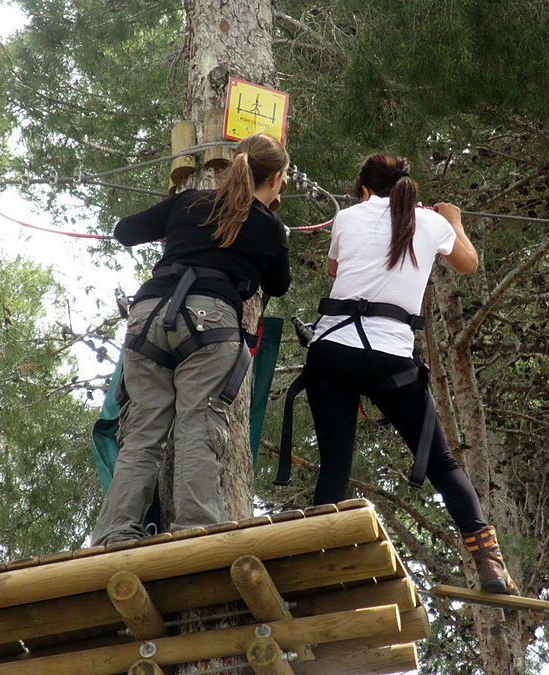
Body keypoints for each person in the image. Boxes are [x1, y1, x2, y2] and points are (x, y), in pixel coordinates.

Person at [302, 153, 518, 594]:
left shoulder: (346, 218)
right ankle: (489, 564)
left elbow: (334, 270)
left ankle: (318, 565)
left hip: (332, 352)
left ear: (364, 190)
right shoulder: (431, 223)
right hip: (391, 360)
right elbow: (469, 264)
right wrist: (454, 222)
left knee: (335, 466)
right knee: (441, 462)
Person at [92, 133, 291, 546]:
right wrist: (268, 224)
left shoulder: (189, 203)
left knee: (143, 432)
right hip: (211, 321)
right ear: (274, 181)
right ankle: (195, 531)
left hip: (149, 316)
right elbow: (279, 283)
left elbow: (125, 231)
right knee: (198, 427)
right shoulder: (269, 225)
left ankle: (114, 533)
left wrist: (173, 230)